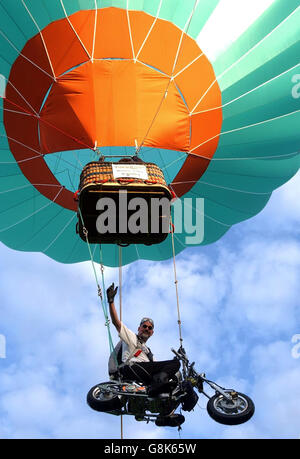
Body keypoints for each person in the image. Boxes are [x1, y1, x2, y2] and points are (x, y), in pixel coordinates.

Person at [106, 283, 181, 397]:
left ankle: (166, 407)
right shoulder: (131, 337)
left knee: (174, 375)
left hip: (142, 374)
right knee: (175, 363)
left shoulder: (148, 353)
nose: (147, 329)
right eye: (144, 326)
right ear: (139, 328)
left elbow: (158, 367)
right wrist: (111, 301)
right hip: (130, 368)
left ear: (152, 332)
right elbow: (117, 323)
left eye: (149, 328)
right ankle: (156, 387)